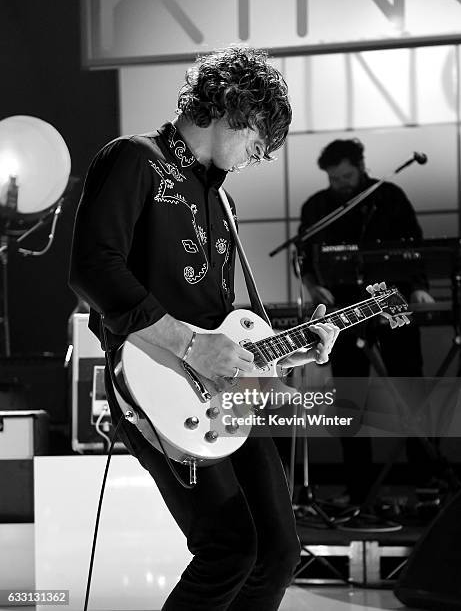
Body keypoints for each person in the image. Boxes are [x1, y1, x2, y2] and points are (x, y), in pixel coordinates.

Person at [69, 46, 340, 611]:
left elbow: (226, 334)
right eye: (257, 142)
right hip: (151, 383)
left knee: (279, 551)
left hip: (218, 390)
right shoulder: (134, 159)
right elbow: (94, 269)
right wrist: (191, 345)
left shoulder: (221, 198)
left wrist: (287, 352)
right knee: (230, 546)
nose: (256, 156)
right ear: (234, 109)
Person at [297, 138, 434, 506]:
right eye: (334, 177)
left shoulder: (389, 196)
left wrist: (419, 287)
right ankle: (360, 489)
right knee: (350, 396)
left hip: (393, 302)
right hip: (345, 311)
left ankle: (427, 483)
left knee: (411, 386)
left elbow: (413, 247)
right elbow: (304, 257)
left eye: (346, 175)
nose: (341, 183)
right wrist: (313, 287)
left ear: (361, 165)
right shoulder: (316, 207)